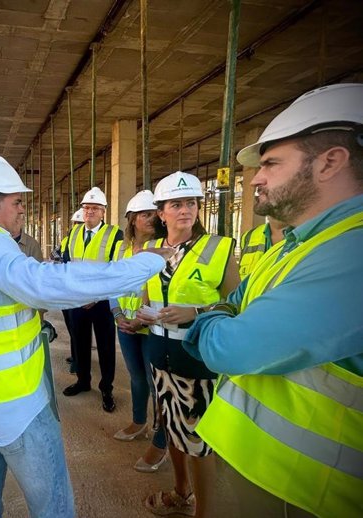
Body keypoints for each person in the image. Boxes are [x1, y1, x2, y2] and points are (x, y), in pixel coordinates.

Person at [0, 155, 171, 518]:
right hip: (15, 403)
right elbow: (46, 285)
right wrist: (145, 263)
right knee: (54, 503)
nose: (21, 211)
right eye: (16, 203)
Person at [184, 83, 363, 518]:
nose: (257, 179)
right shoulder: (300, 246)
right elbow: (240, 298)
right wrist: (226, 313)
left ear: (330, 162)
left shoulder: (351, 254)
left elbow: (232, 347)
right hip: (271, 470)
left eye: (270, 164)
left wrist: (206, 321)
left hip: (310, 489)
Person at [136, 171, 240, 517]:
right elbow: (144, 296)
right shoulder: (150, 250)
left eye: (191, 203)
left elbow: (235, 305)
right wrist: (139, 314)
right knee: (170, 425)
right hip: (159, 354)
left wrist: (195, 311)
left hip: (196, 359)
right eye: (176, 204)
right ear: (161, 212)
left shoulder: (219, 248)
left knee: (198, 441)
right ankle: (181, 492)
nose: (186, 210)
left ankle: (203, 511)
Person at [108, 190, 168, 474]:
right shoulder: (122, 250)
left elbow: (156, 289)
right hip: (125, 324)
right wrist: (118, 314)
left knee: (157, 381)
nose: (151, 219)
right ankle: (138, 421)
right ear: (132, 220)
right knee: (136, 377)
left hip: (151, 326)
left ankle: (160, 434)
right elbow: (113, 284)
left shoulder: (162, 249)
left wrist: (141, 320)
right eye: (145, 214)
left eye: (154, 214)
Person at [61, 187, 123, 412]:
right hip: (78, 300)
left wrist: (95, 296)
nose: (89, 212)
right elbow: (68, 265)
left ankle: (106, 387)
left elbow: (115, 269)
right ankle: (83, 381)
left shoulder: (115, 234)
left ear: (103, 212)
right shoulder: (74, 233)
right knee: (80, 342)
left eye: (95, 208)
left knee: (106, 346)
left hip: (102, 302)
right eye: (86, 208)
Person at [60, 208, 85, 374]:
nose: (76, 226)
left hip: (81, 292)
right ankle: (75, 355)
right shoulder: (67, 240)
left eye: (79, 224)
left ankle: (79, 360)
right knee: (71, 328)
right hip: (67, 290)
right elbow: (62, 258)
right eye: (75, 224)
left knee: (79, 331)